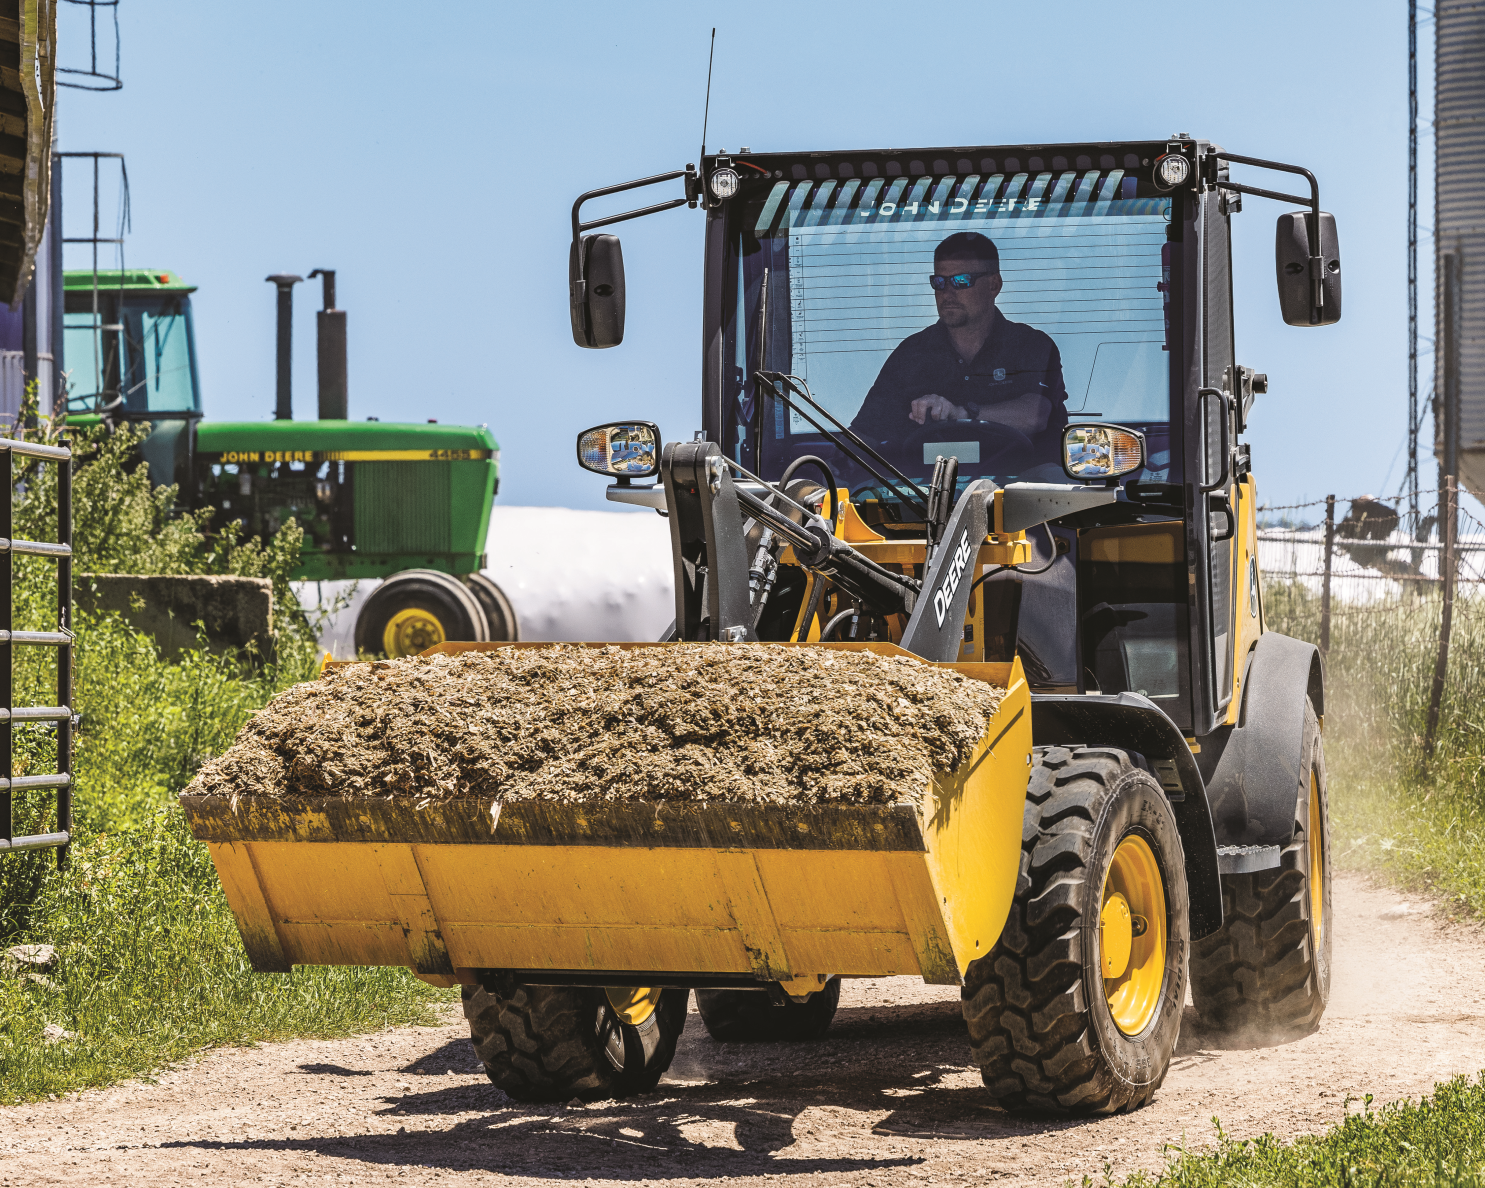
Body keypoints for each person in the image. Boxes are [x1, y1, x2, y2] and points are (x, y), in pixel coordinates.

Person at [849, 231, 1068, 466]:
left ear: (994, 285)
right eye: (939, 282)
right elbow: (863, 436)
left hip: (1024, 492)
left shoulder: (1030, 345)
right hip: (921, 494)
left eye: (961, 281)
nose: (947, 293)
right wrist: (832, 468)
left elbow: (1035, 415)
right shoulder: (910, 354)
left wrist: (961, 413)